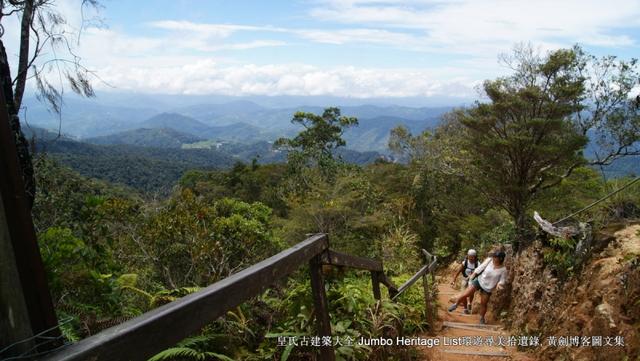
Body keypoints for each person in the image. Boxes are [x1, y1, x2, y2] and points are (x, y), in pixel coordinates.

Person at [448, 246, 508, 325]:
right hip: (479, 281)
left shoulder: (503, 270)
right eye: (493, 256)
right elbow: (480, 268)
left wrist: (500, 284)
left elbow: (502, 280)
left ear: (500, 258)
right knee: (466, 293)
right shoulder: (489, 260)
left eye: (495, 257)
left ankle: (482, 318)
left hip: (488, 288)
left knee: (484, 303)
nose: (493, 258)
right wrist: (473, 274)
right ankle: (456, 304)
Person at [450, 249, 479, 314]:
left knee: (471, 293)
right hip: (464, 279)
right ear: (467, 256)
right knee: (463, 294)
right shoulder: (465, 263)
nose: (471, 258)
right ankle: (465, 308)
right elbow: (458, 271)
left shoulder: (478, 264)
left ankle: (469, 303)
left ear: (475, 256)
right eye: (470, 256)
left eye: (473, 256)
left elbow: (478, 273)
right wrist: (453, 280)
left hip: (473, 280)